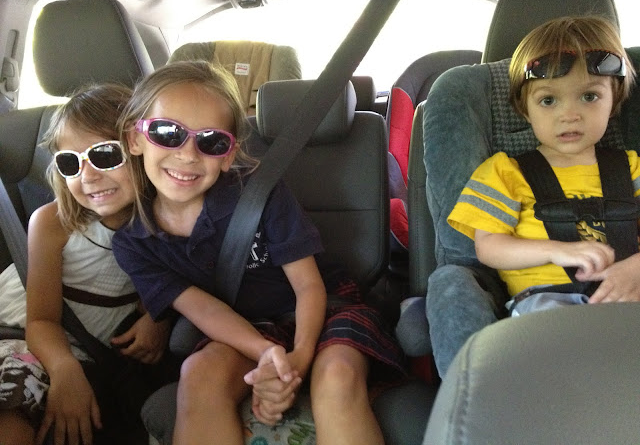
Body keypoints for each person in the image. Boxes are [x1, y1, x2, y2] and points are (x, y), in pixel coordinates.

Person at [111, 60, 406, 445]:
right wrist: (267, 353)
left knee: (337, 376)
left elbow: (308, 286)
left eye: (211, 142)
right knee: (198, 375)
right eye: (167, 133)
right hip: (247, 326)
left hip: (326, 309)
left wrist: (299, 358)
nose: (187, 155)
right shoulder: (135, 242)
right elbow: (205, 311)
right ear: (135, 138)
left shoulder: (257, 193)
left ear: (228, 154)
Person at [432, 15, 640, 375]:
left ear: (614, 99)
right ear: (523, 108)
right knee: (557, 364)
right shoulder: (505, 173)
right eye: (548, 100)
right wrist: (557, 250)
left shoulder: (632, 168)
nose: (569, 115)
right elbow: (489, 247)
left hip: (628, 296)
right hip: (547, 303)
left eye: (589, 96)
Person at [0, 83, 177, 445]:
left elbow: (180, 282)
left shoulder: (171, 224)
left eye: (105, 155)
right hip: (20, 334)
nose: (88, 175)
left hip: (90, 353)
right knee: (13, 413)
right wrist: (65, 370)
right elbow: (40, 320)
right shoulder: (53, 224)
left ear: (142, 150)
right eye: (70, 162)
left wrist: (159, 318)